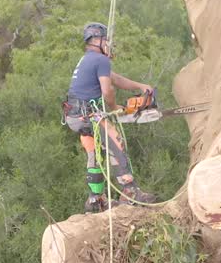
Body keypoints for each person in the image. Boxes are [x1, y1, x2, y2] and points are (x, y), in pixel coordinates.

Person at [64, 22, 157, 213]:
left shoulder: (89, 59)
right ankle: (130, 191)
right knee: (116, 142)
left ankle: (95, 199)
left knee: (94, 154)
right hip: (88, 114)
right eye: (106, 39)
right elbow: (108, 90)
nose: (108, 43)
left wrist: (141, 86)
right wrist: (115, 107)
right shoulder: (101, 60)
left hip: (74, 116)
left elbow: (116, 79)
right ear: (97, 40)